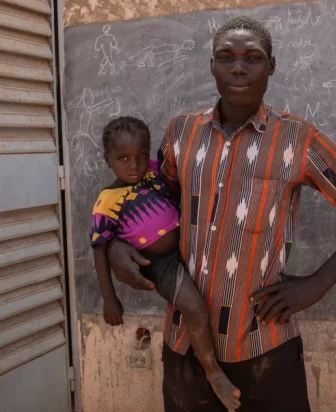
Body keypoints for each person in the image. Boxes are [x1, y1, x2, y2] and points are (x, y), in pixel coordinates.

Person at [107, 16, 336, 411]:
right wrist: (115, 245)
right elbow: (157, 206)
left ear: (271, 66)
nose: (238, 67)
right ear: (212, 65)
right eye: (225, 57)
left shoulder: (297, 138)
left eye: (253, 57)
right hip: (185, 343)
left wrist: (318, 284)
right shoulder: (182, 132)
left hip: (263, 343)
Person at [91, 116, 241, 410]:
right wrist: (109, 298)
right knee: (196, 310)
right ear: (107, 160)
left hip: (190, 245)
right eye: (123, 158)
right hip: (160, 263)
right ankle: (213, 372)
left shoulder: (150, 172)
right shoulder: (107, 200)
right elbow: (99, 247)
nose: (134, 165)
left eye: (141, 156)